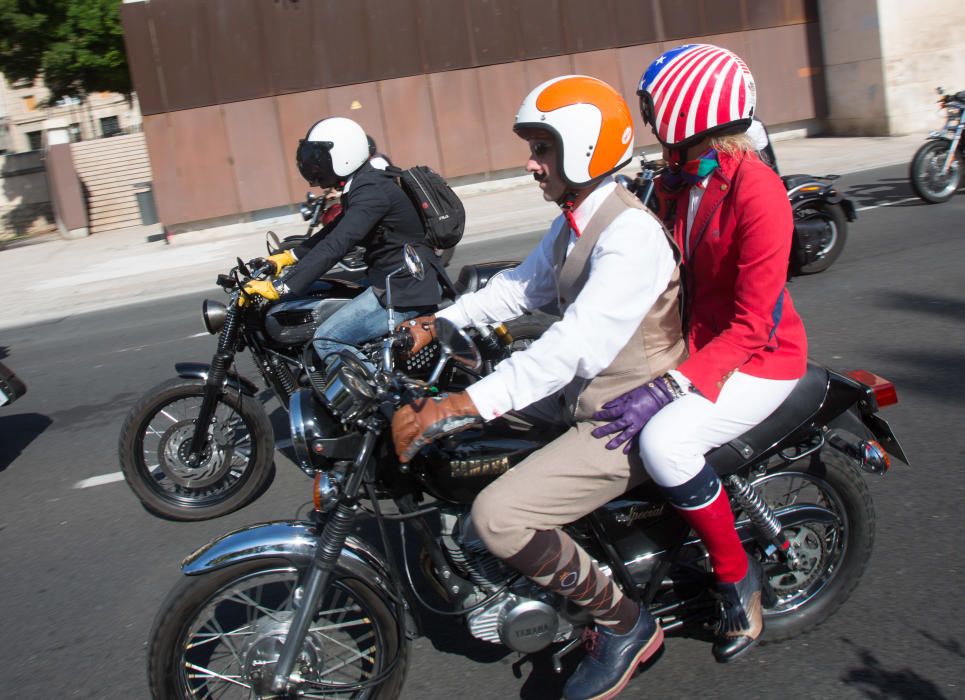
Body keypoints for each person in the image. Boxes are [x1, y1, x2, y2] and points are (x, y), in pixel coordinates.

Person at [391, 75, 686, 700]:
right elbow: (520, 287)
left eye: (543, 148)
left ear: (583, 148)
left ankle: (624, 623)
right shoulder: (579, 220)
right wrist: (440, 321)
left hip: (631, 407)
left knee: (499, 515)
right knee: (471, 444)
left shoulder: (628, 233)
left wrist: (461, 403)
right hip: (589, 389)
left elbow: (571, 345)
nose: (531, 163)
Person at [591, 44, 809, 663]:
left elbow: (753, 323)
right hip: (694, 343)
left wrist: (670, 386)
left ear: (691, 110)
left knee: (666, 443)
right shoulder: (670, 179)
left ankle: (737, 578)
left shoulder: (758, 192)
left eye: (655, 105)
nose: (649, 115)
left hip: (758, 358)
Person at [242, 117, 443, 364]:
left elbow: (338, 244)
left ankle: (381, 399)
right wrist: (288, 257)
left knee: (327, 340)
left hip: (405, 290)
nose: (314, 166)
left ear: (343, 154)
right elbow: (337, 229)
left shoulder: (371, 191)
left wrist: (282, 286)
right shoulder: (362, 184)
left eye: (319, 159)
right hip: (392, 279)